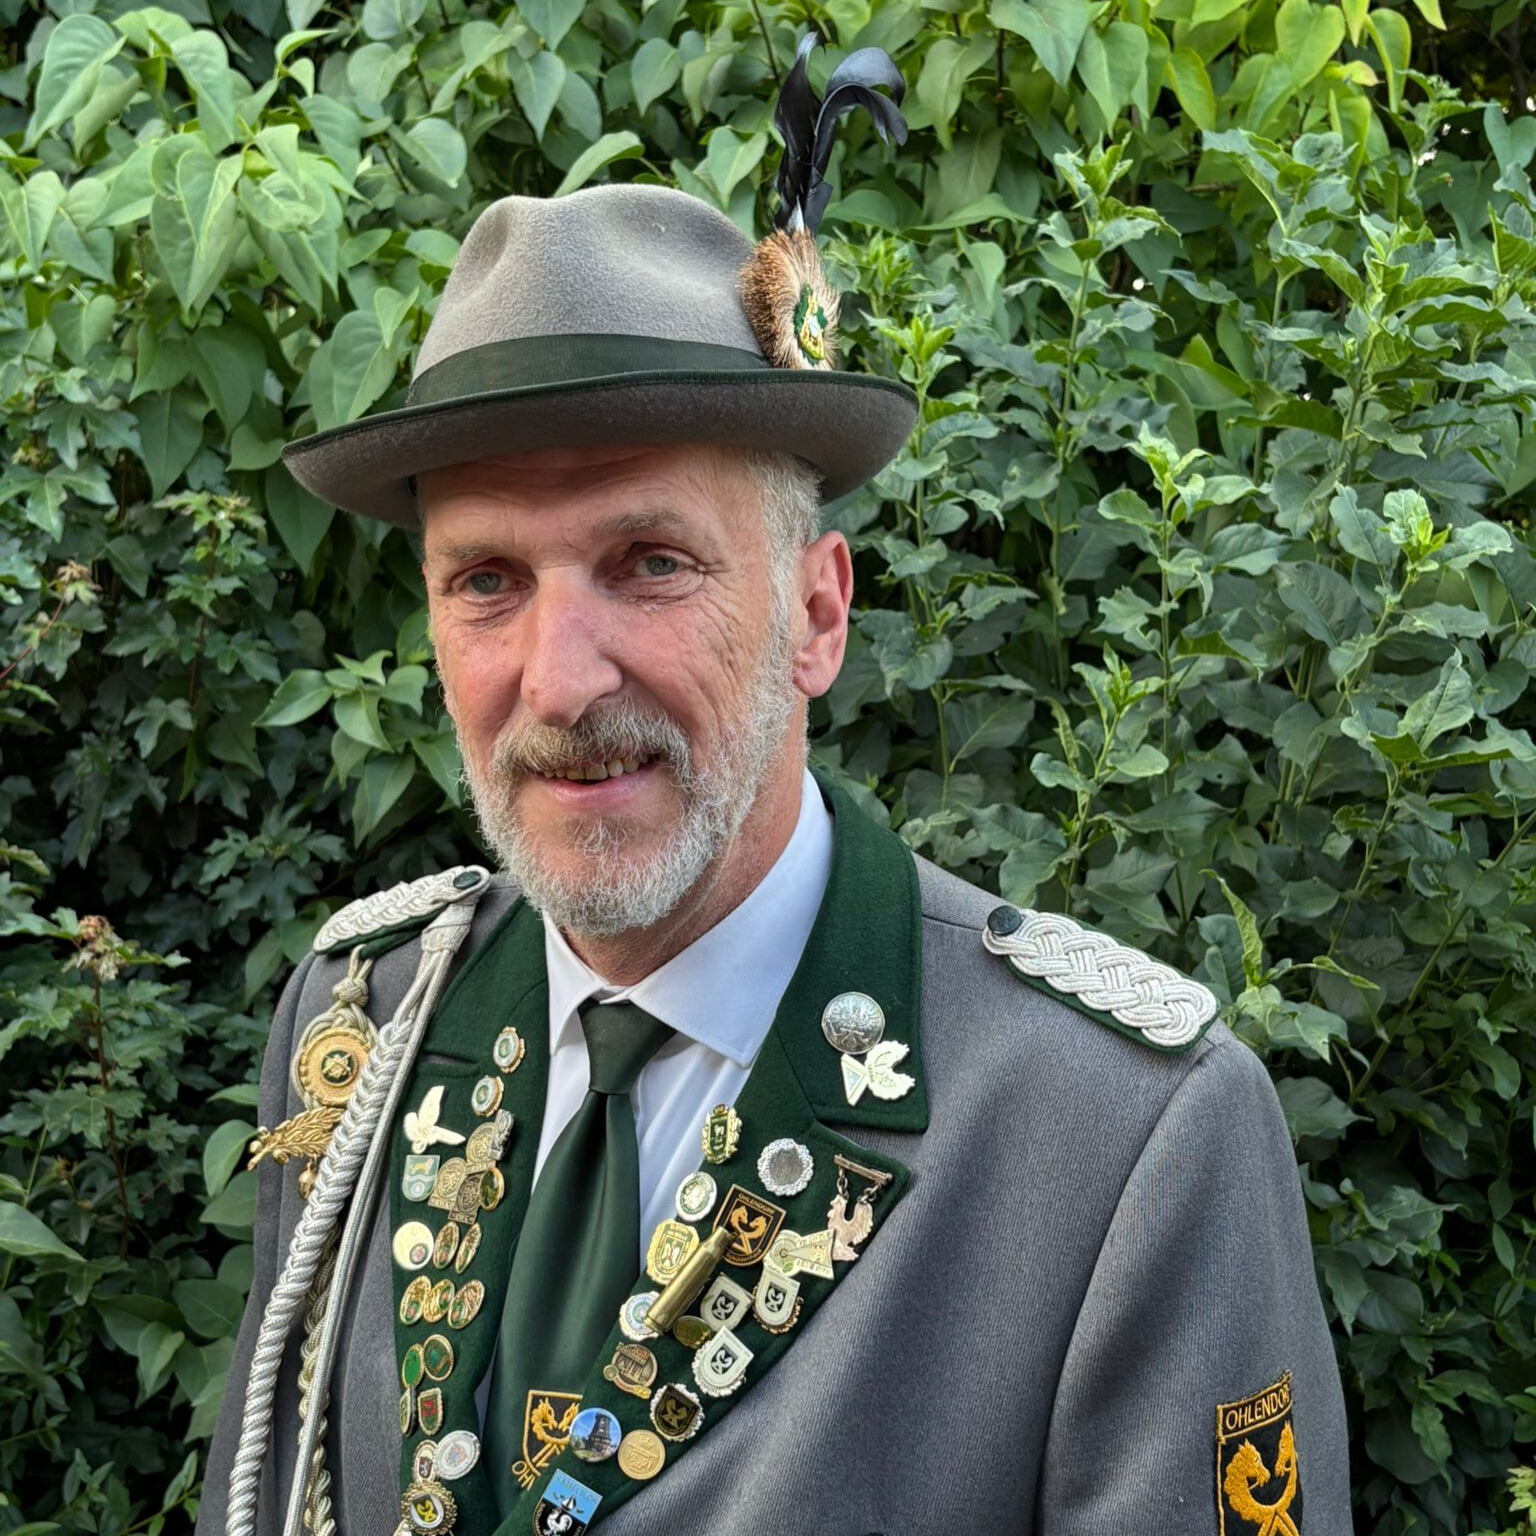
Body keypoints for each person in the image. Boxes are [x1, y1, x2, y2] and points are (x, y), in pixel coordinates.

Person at [197, 36, 1350, 1536]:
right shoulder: (362, 1024)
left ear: (817, 611)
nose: (559, 679)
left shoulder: (1122, 1138)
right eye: (487, 581)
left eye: (649, 563)